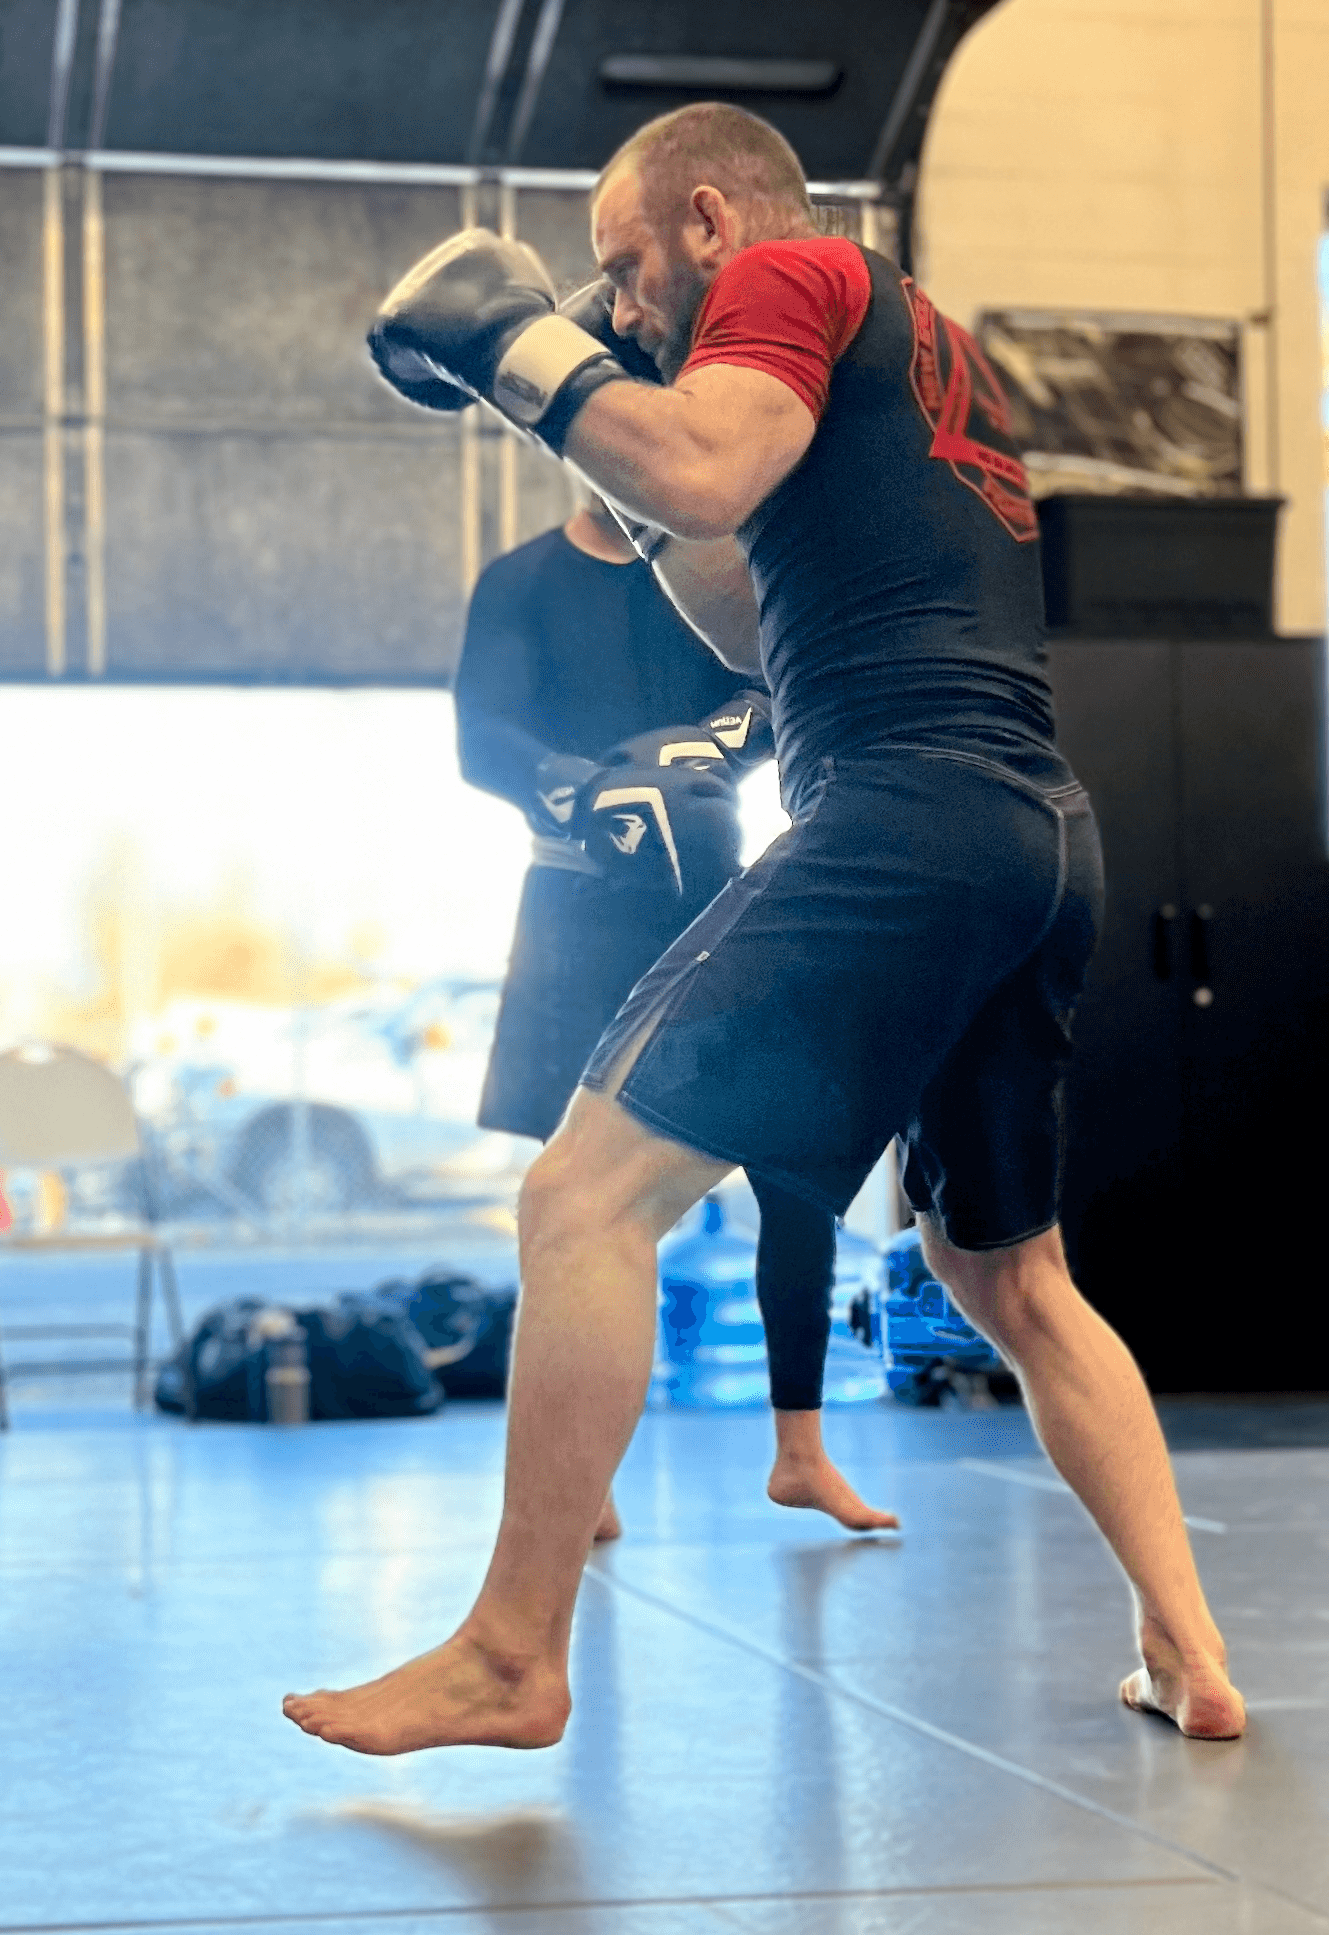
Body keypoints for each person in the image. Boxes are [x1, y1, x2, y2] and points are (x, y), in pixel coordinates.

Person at [292, 104, 1239, 1754]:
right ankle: (1187, 1647)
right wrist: (578, 423)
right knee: (1006, 1271)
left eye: (625, 263)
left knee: (578, 1197)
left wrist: (520, 350)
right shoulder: (918, 348)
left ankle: (510, 1654)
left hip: (900, 813)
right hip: (1035, 834)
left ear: (711, 221)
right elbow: (738, 597)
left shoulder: (789, 275)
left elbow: (697, 463)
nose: (619, 301)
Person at [458, 482, 894, 1537]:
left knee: (796, 1165)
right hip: (576, 904)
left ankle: (800, 1452)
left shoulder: (710, 574)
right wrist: (582, 784)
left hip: (713, 893)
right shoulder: (521, 580)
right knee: (577, 1197)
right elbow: (483, 739)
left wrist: (695, 751)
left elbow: (773, 690)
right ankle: (587, 1476)